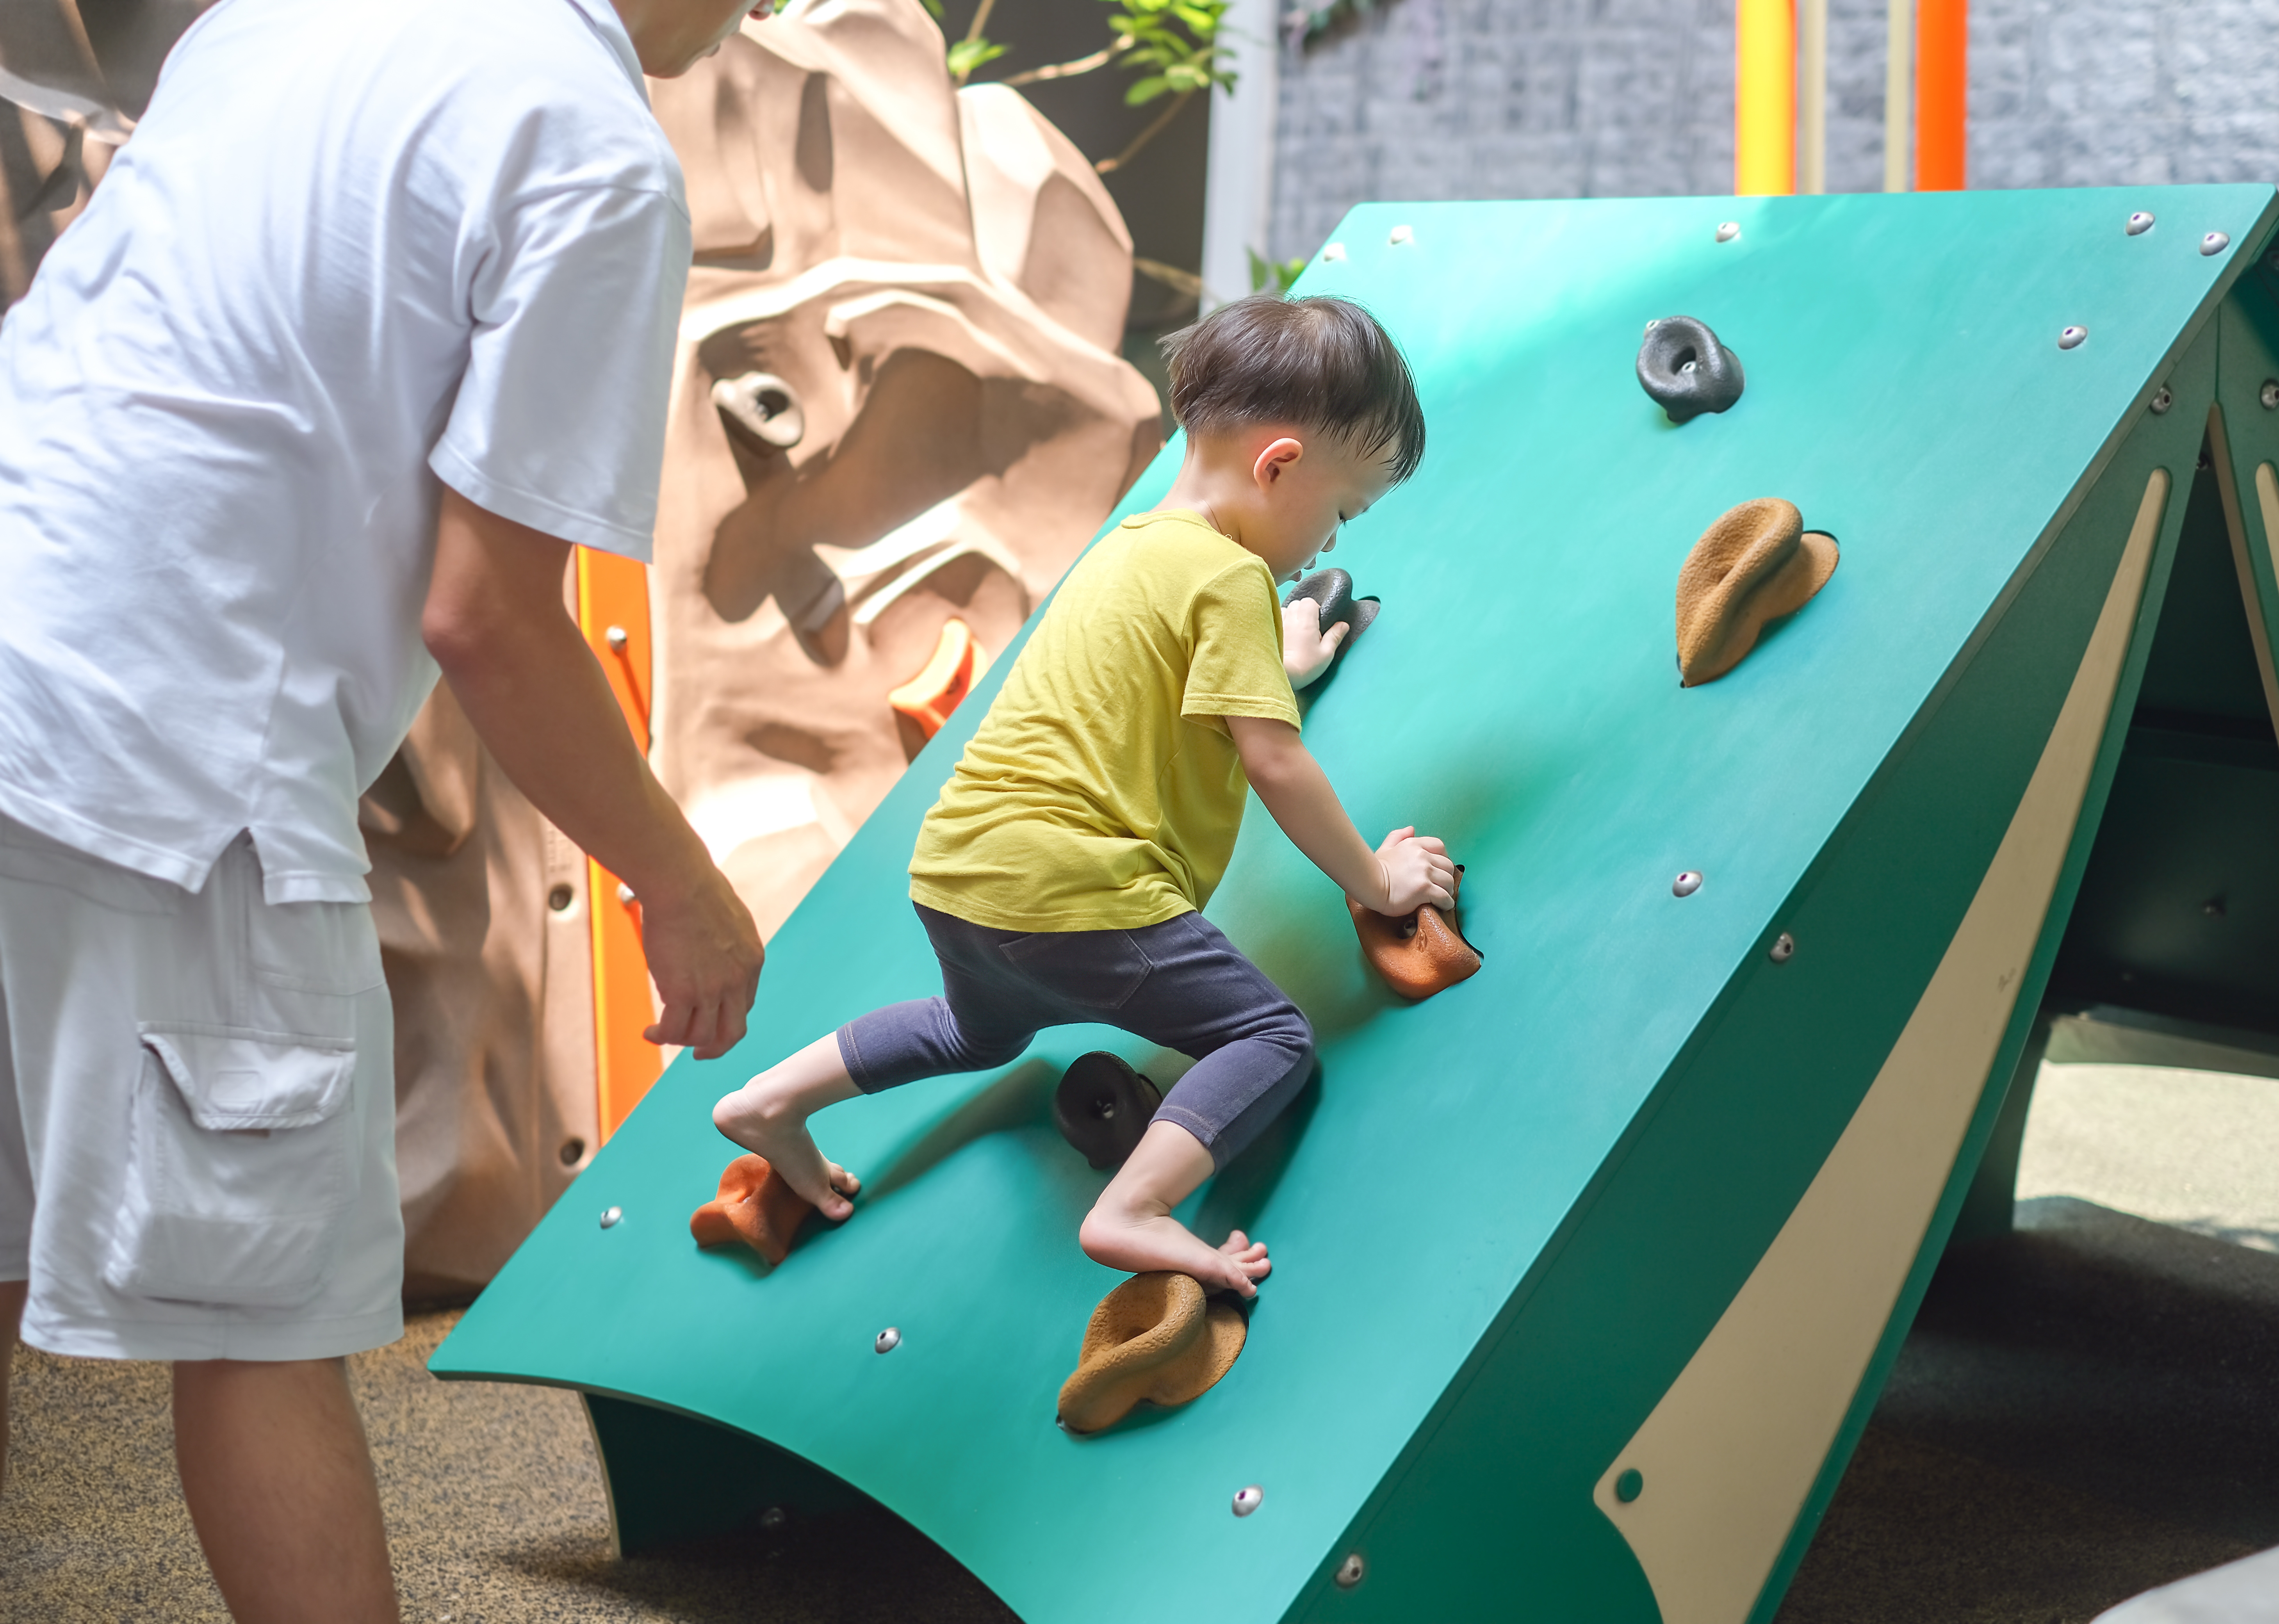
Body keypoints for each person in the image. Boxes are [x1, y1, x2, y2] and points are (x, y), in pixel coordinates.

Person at [0, 0, 775, 1617]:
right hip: (173, 747)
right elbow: (487, 614)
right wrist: (680, 880)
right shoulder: (591, 150)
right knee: (258, 1320)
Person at [713, 294, 1451, 1298]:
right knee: (1270, 1036)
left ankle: (770, 1100)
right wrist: (1378, 879)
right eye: (1342, 511)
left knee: (976, 1030)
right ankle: (1134, 1209)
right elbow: (1272, 760)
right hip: (1082, 894)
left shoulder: (1129, 550)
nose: (1329, 542)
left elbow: (1161, 681)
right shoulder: (1231, 579)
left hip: (961, 876)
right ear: (1278, 466)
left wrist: (1277, 662)